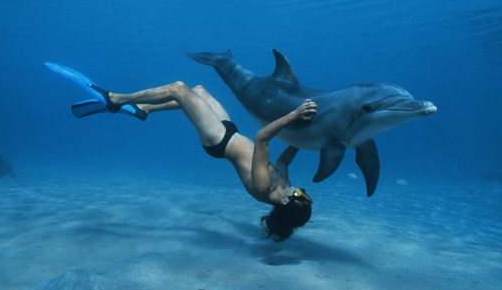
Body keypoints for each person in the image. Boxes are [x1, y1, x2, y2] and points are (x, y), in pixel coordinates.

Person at [44, 62, 317, 242]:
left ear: (284, 203)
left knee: (178, 88)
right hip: (230, 131)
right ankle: (144, 110)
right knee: (198, 90)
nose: (300, 190)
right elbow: (282, 158)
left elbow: (261, 139)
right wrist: (315, 140)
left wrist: (294, 115)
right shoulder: (284, 186)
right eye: (305, 194)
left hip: (218, 140)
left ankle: (116, 99)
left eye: (299, 196)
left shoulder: (264, 187)